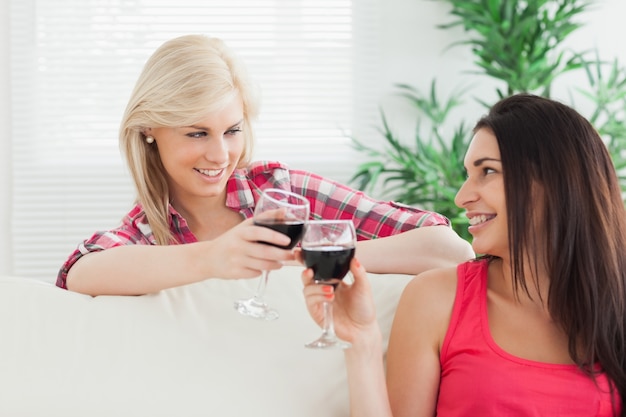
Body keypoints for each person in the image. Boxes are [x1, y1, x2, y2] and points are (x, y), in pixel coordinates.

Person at [56, 34, 473, 296]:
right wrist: (213, 258)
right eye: (196, 133)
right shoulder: (144, 234)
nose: (220, 155)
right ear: (150, 129)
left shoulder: (281, 191)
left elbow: (448, 249)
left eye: (232, 130)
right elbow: (80, 272)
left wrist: (308, 256)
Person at [302, 93, 626, 416]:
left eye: (487, 171)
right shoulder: (435, 298)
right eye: (468, 174)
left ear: (555, 181)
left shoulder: (616, 304)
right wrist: (361, 341)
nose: (461, 198)